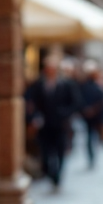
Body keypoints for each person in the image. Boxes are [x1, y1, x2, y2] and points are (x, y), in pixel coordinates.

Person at [24, 57, 82, 188]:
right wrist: (34, 117)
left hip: (60, 125)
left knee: (60, 151)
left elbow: (75, 103)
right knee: (45, 152)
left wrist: (64, 114)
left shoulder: (67, 84)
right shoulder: (38, 85)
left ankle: (58, 175)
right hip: (44, 125)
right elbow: (30, 102)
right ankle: (50, 172)